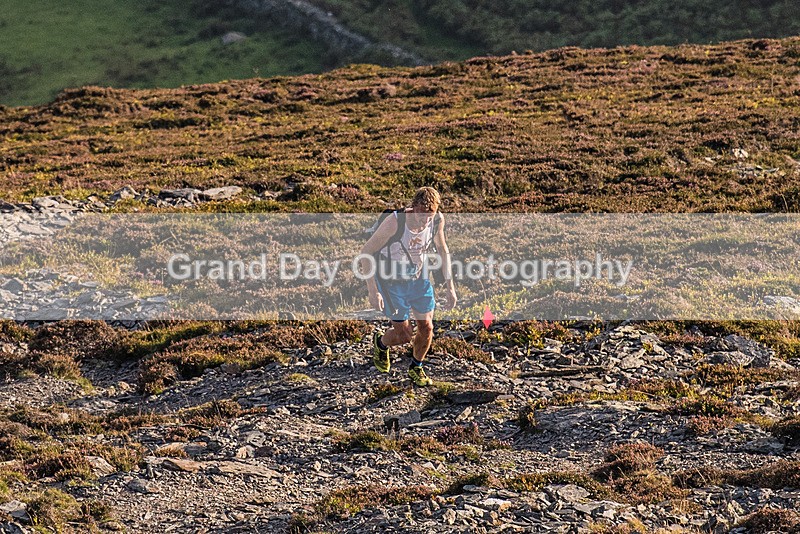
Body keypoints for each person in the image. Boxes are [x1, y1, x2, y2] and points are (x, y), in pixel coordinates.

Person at [358, 187, 457, 386]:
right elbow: (366, 252)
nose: (425, 222)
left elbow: (442, 250)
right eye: (422, 216)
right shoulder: (395, 222)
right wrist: (372, 290)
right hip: (391, 282)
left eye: (429, 217)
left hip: (419, 278)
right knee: (404, 334)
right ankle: (381, 343)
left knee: (427, 327)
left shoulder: (437, 220)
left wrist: (450, 287)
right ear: (413, 208)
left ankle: (416, 367)